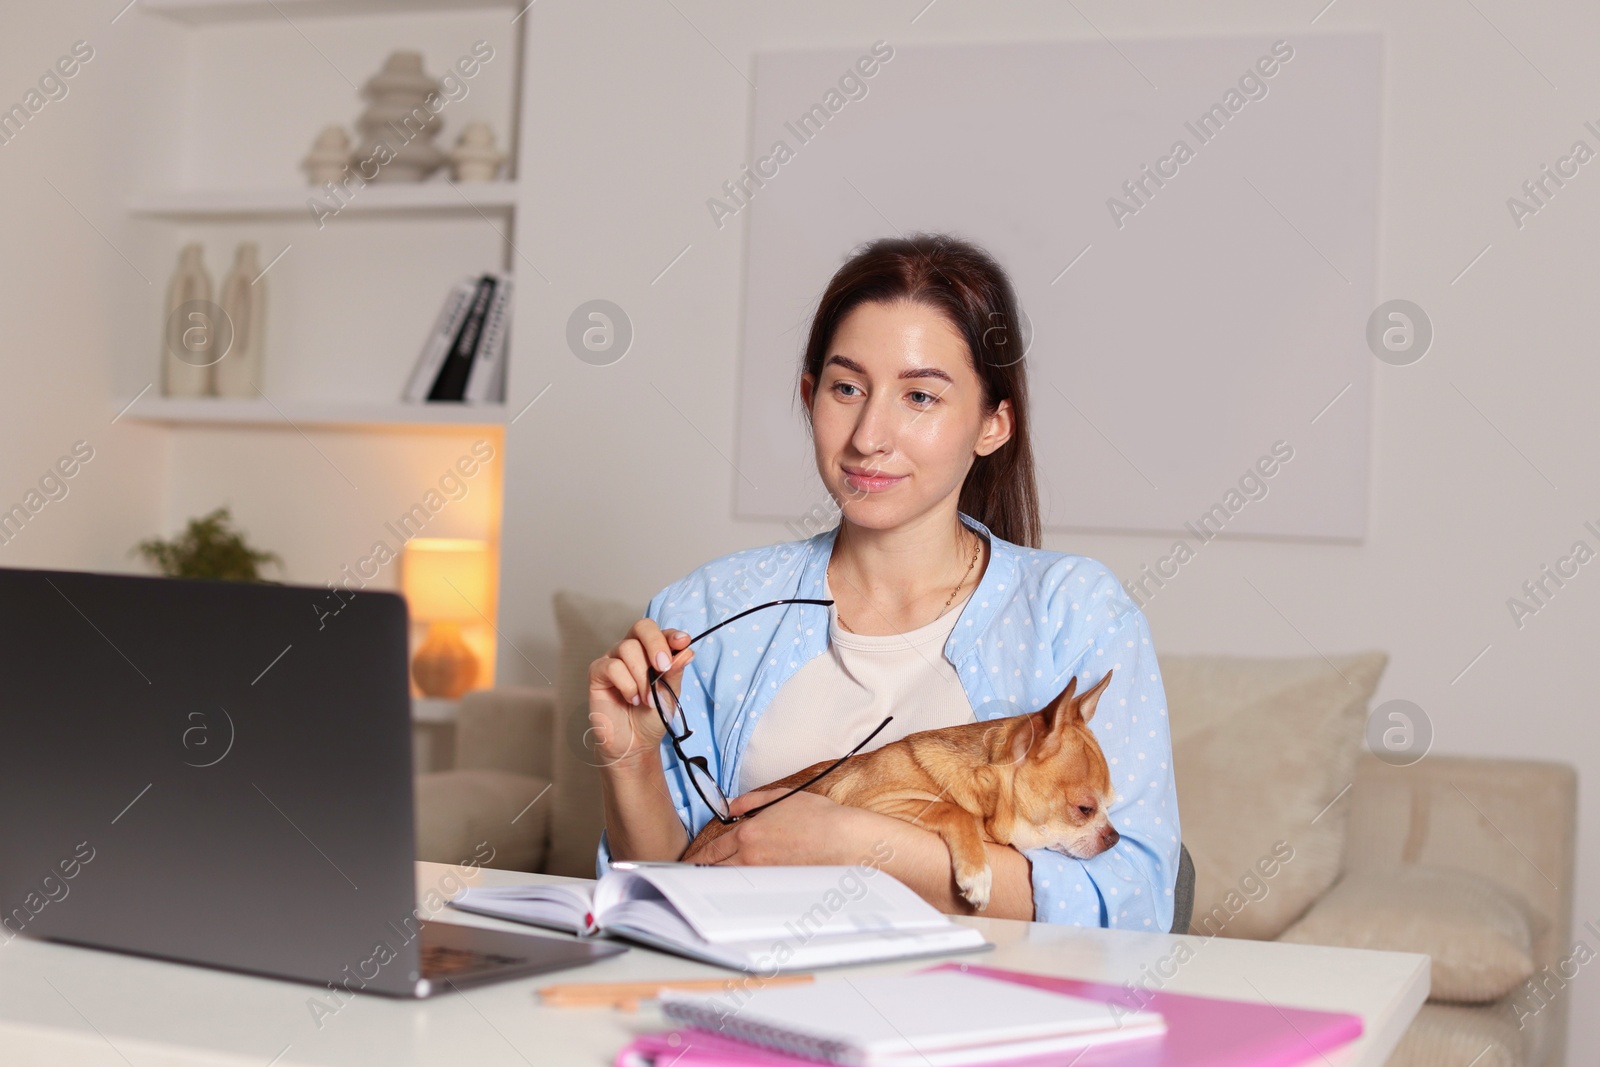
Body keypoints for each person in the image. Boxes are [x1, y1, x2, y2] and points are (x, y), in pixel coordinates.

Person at [588, 233, 1180, 929]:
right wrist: (631, 757)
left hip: (986, 1016)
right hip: (750, 1006)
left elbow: (1136, 901)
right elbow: (664, 894)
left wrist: (859, 845)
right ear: (810, 397)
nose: (870, 434)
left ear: (993, 424)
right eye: (846, 388)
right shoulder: (710, 610)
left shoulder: (1075, 614)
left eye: (920, 396)